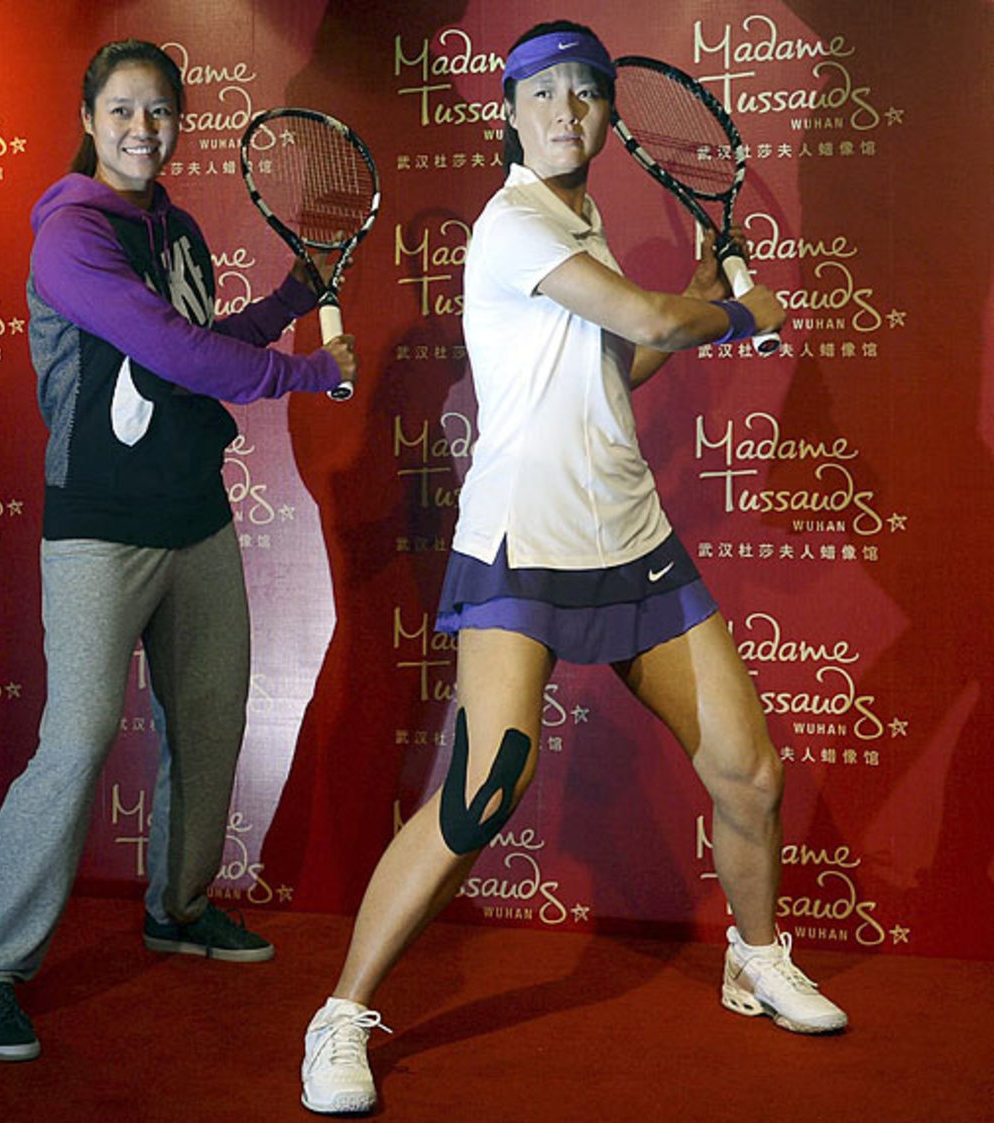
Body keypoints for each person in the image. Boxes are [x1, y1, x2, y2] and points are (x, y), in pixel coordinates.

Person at [299, 19, 845, 1115]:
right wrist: (738, 309)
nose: (565, 112)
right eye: (543, 94)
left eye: (586, 96)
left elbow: (617, 357)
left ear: (606, 118)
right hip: (521, 544)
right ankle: (342, 1012)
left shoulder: (577, 216)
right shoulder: (512, 223)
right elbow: (646, 314)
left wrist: (697, 306)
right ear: (509, 112)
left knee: (747, 769)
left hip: (629, 535)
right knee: (482, 789)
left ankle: (758, 954)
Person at [0, 39, 356, 1063]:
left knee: (213, 723)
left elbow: (190, 341)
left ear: (179, 124)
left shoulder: (170, 225)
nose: (143, 128)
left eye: (161, 112)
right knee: (77, 741)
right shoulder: (72, 231)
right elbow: (167, 347)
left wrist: (285, 306)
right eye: (124, 110)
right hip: (101, 524)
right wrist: (299, 376)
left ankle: (178, 909)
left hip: (197, 514)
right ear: (90, 118)